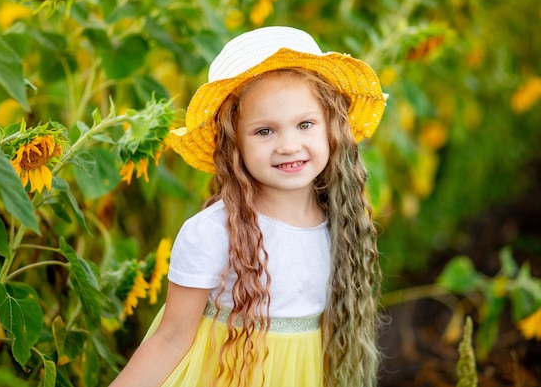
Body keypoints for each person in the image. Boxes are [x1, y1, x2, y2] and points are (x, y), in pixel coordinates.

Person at [110, 26, 388, 387]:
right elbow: (171, 338)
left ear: (332, 129)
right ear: (233, 144)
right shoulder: (212, 232)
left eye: (305, 124)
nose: (289, 145)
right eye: (264, 131)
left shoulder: (342, 225)